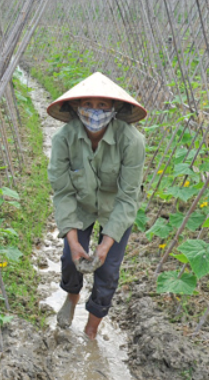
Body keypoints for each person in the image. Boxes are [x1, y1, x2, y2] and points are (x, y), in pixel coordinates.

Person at [46, 72, 147, 340]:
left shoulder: (131, 141)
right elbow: (63, 192)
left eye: (102, 105)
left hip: (116, 209)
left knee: (108, 269)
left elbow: (128, 197)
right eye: (88, 105)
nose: (95, 112)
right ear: (77, 107)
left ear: (114, 109)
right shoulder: (63, 139)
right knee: (70, 257)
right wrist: (73, 238)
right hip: (81, 204)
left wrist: (105, 244)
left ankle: (91, 331)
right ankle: (72, 295)